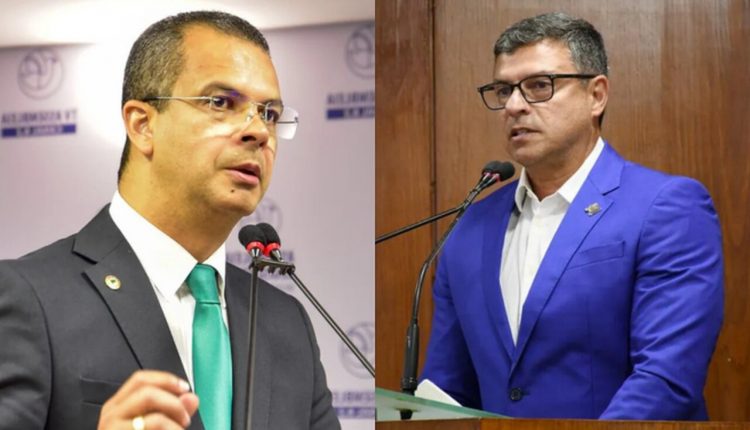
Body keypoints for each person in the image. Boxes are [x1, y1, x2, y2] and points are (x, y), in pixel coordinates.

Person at [0, 11, 340, 430]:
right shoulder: (28, 297)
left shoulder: (286, 322)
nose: (259, 132)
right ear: (142, 124)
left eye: (269, 113)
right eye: (221, 103)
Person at [420, 12, 723, 420]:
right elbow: (446, 392)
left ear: (596, 95)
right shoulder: (467, 229)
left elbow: (666, 378)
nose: (514, 106)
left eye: (539, 86)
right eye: (503, 90)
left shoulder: (666, 207)